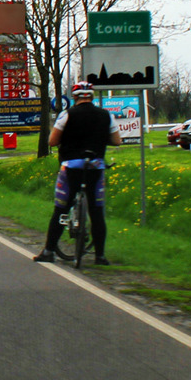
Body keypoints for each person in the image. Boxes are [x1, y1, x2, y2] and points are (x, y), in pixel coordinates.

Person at [34, 81, 122, 265]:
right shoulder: (106, 116)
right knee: (96, 211)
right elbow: (116, 141)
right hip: (95, 167)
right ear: (91, 96)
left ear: (75, 97)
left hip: (71, 168)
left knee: (61, 209)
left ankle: (49, 251)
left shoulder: (66, 115)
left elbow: (52, 141)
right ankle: (100, 256)